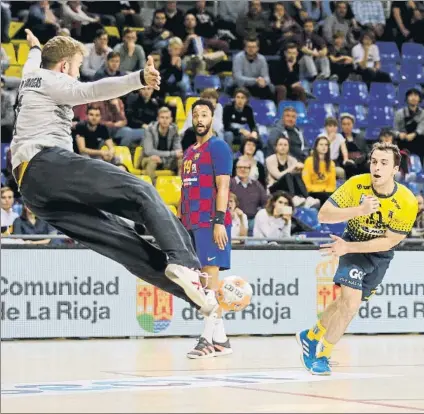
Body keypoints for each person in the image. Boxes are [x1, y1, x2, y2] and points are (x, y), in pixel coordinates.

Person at [10, 30, 218, 321]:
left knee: (123, 244)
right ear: (64, 67)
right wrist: (139, 80)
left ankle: (201, 300)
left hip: (33, 192)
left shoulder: (31, 75)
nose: (77, 74)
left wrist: (34, 45)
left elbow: (33, 56)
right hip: (46, 163)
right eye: (77, 68)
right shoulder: (52, 79)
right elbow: (91, 91)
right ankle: (186, 263)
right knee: (141, 192)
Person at [297, 142, 418, 375]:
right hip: (351, 246)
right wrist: (358, 211)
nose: (377, 167)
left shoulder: (406, 200)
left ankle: (311, 335)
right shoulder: (356, 185)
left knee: (346, 304)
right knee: (350, 304)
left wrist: (349, 246)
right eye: (374, 162)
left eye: (384, 163)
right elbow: (324, 214)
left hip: (378, 254)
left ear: (395, 169)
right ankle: (323, 355)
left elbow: (389, 241)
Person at [180, 99, 234, 359]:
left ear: (212, 118)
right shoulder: (189, 152)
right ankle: (222, 340)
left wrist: (219, 221)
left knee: (210, 284)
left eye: (205, 114)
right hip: (192, 223)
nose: (200, 119)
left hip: (211, 222)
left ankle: (206, 340)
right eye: (196, 115)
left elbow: (223, 186)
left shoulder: (219, 147)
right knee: (203, 285)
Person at [301, 136, 337, 206]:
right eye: (321, 144)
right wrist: (320, 189)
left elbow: (332, 185)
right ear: (316, 147)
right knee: (327, 198)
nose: (324, 147)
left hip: (326, 192)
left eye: (326, 145)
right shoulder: (309, 161)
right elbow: (306, 183)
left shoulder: (331, 163)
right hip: (312, 192)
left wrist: (325, 190)